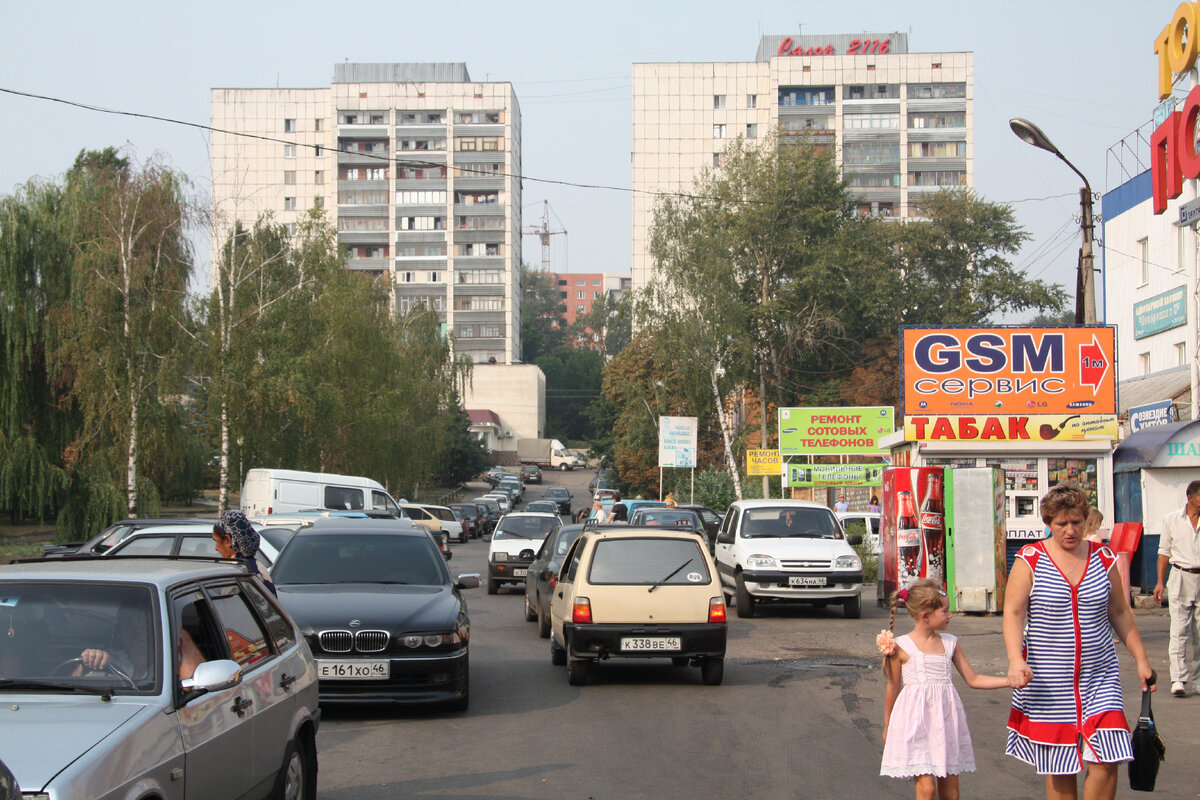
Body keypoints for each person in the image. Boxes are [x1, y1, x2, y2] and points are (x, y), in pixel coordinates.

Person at [1003, 483, 1154, 800]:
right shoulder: (1030, 560)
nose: (1070, 530)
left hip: (1100, 677)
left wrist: (1142, 660)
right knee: (1060, 767)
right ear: (1048, 523)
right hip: (1048, 681)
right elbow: (1014, 613)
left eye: (1076, 522)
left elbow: (1120, 613)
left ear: (1086, 521)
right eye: (1061, 524)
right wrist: (1016, 661)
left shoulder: (1104, 559)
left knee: (1108, 758)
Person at [879, 579, 1008, 797]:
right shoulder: (901, 646)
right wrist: (887, 724)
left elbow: (973, 679)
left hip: (946, 724)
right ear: (925, 615)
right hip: (916, 724)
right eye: (945, 611)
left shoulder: (950, 643)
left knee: (951, 794)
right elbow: (893, 687)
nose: (950, 615)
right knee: (927, 790)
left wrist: (1009, 681)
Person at [1153, 479, 1200, 698]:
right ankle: (1178, 679)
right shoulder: (1172, 519)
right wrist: (1160, 582)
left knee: (1199, 634)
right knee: (1179, 631)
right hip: (1180, 575)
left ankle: (1198, 681)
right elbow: (1164, 552)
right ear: (1190, 498)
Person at [213, 509, 277, 596]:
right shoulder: (258, 567)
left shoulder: (236, 572)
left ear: (228, 540)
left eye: (216, 541)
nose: (216, 548)